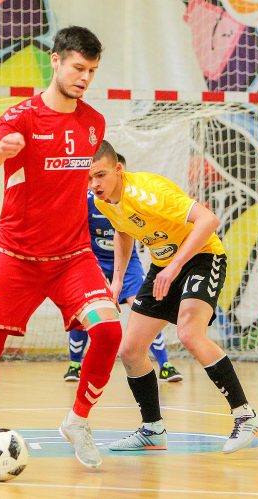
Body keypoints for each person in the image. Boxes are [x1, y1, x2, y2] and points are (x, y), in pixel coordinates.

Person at [0, 26, 122, 471]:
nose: (84, 78)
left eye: (92, 71)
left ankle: (77, 421)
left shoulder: (94, 123)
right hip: (17, 257)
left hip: (73, 258)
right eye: (78, 68)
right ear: (55, 61)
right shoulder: (20, 117)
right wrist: (2, 148)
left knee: (109, 332)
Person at [88, 140, 258, 453]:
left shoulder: (147, 192)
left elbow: (208, 220)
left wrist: (176, 266)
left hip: (202, 257)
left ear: (118, 169)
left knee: (189, 333)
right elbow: (123, 231)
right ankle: (152, 430)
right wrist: (116, 284)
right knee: (130, 350)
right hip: (164, 265)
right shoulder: (102, 201)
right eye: (89, 178)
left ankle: (245, 415)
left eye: (100, 175)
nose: (95, 184)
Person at [64, 154, 183, 384]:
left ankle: (165, 364)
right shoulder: (91, 200)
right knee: (85, 306)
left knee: (145, 307)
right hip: (95, 259)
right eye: (97, 176)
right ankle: (74, 364)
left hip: (128, 263)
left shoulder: (136, 196)